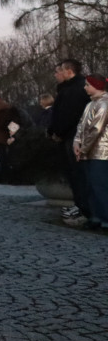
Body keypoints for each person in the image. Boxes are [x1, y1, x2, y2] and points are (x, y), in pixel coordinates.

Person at [49, 59, 92, 224]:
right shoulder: (68, 89)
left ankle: (84, 208)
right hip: (69, 135)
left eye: (59, 71)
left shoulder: (75, 89)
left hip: (73, 136)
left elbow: (70, 114)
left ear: (68, 71)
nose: (56, 74)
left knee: (78, 174)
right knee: (73, 175)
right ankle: (80, 205)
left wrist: (58, 131)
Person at [73, 74, 108, 229]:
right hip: (88, 152)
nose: (85, 87)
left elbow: (96, 130)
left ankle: (105, 218)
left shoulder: (104, 104)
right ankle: (95, 216)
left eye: (88, 84)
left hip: (101, 152)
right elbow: (81, 125)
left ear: (96, 85)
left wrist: (83, 149)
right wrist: (76, 141)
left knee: (99, 185)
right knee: (90, 186)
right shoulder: (90, 104)